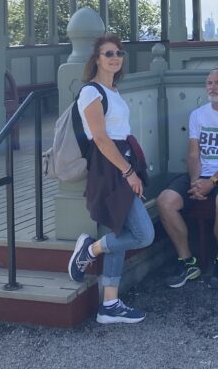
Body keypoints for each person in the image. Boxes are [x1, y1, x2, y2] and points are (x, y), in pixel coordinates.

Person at [67, 34, 154, 324]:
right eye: (108, 53)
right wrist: (128, 173)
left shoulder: (112, 90)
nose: (115, 58)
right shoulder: (91, 92)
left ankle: (110, 304)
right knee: (144, 234)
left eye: (119, 53)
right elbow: (101, 139)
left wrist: (131, 167)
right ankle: (90, 249)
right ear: (96, 59)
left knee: (119, 229)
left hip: (122, 161)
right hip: (110, 166)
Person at [157, 68, 218, 289]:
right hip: (200, 173)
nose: (212, 87)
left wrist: (211, 183)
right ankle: (187, 261)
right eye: (209, 83)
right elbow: (193, 154)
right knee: (165, 201)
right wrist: (196, 182)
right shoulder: (198, 114)